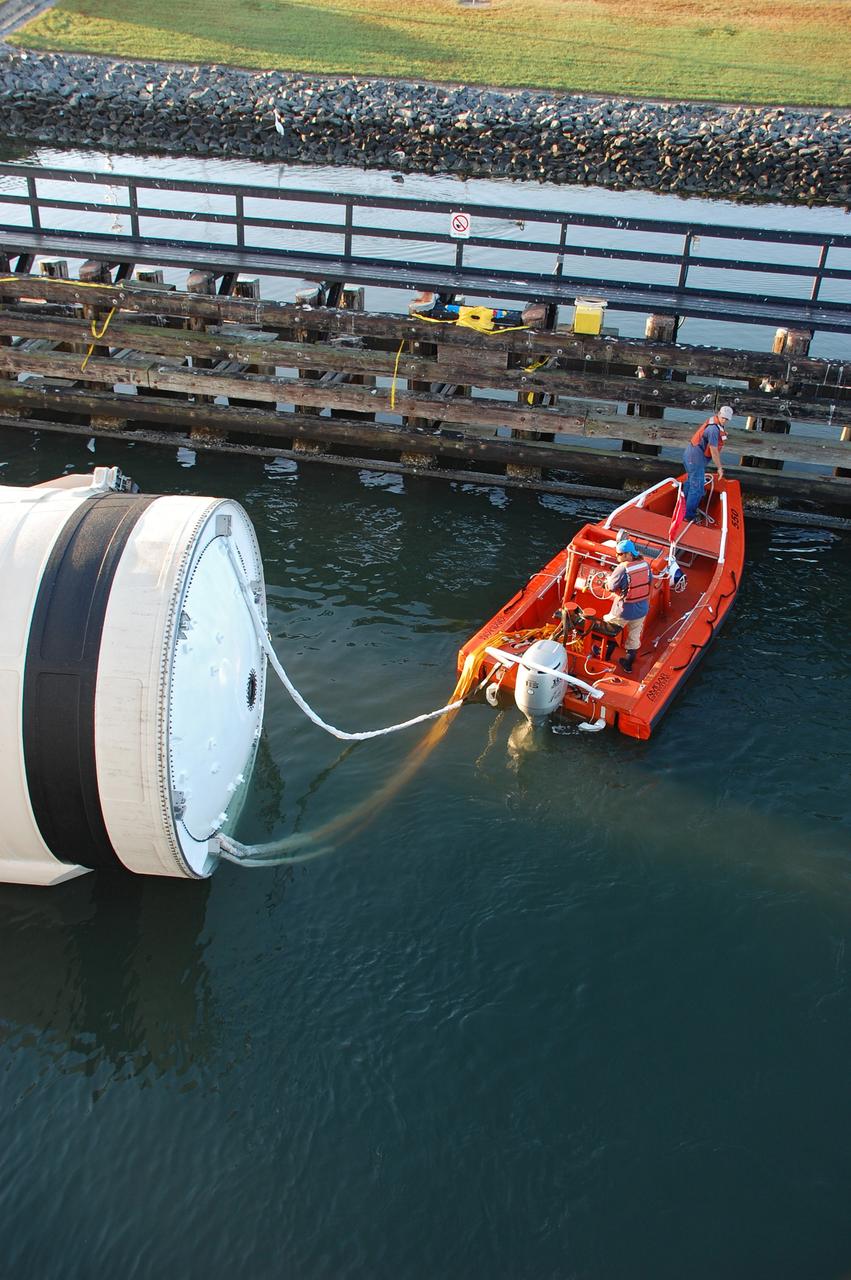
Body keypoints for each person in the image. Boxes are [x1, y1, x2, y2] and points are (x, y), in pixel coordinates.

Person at [602, 535, 651, 673]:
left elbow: (611, 587)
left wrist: (606, 582)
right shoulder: (646, 565)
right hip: (642, 609)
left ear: (629, 554)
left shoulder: (622, 568)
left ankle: (604, 654)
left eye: (620, 554)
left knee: (609, 628)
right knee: (634, 635)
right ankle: (628, 663)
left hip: (624, 610)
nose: (617, 556)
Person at [682, 406, 733, 522]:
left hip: (689, 455)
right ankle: (688, 516)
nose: (724, 420)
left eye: (727, 419)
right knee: (697, 489)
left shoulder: (714, 423)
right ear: (719, 414)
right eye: (723, 417)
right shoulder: (713, 430)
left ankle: (682, 507)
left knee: (690, 482)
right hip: (695, 460)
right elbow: (713, 451)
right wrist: (719, 468)